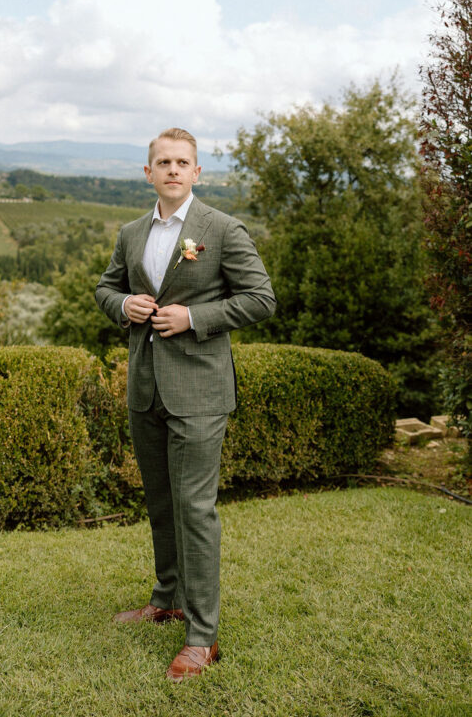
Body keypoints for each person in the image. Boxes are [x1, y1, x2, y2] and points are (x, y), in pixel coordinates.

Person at [95, 127, 276, 682]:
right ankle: (166, 599)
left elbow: (260, 299)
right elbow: (104, 288)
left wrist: (195, 318)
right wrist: (123, 303)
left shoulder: (221, 230)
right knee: (160, 502)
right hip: (145, 390)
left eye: (183, 162)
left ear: (197, 173)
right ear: (148, 172)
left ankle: (202, 638)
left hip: (199, 392)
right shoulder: (131, 233)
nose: (173, 170)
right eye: (163, 162)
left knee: (195, 511)